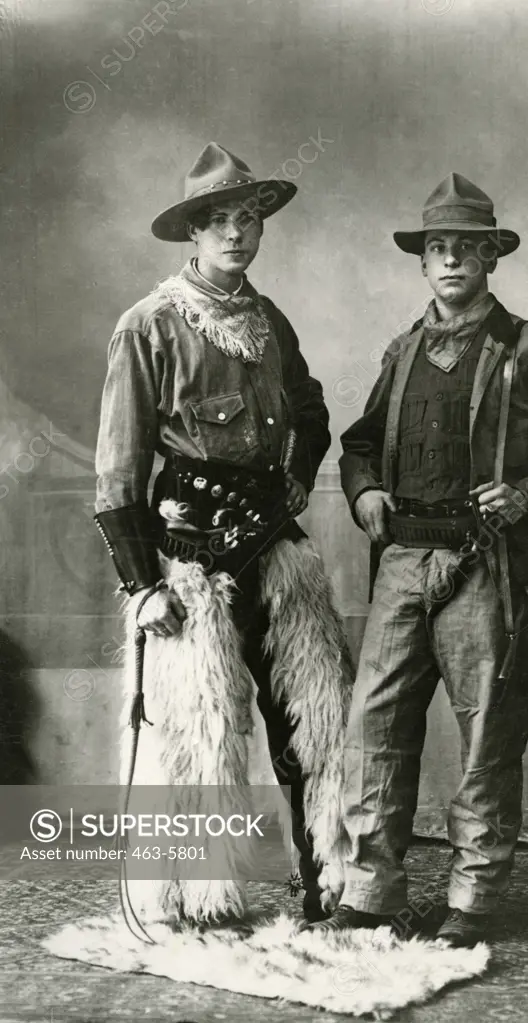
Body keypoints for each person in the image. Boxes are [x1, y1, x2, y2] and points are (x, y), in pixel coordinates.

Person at [307, 172, 528, 946]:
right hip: (404, 559)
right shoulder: (402, 349)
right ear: (421, 262)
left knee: (485, 734)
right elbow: (360, 442)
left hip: (485, 565)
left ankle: (471, 898)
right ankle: (371, 889)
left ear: (489, 258)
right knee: (375, 725)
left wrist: (526, 495)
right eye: (436, 248)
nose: (449, 261)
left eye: (464, 249)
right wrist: (366, 490)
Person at [93, 142, 352, 928]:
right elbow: (116, 472)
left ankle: (330, 883)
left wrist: (301, 467)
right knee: (200, 731)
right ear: (191, 234)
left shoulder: (270, 320)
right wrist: (142, 587)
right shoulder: (149, 326)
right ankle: (196, 897)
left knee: (317, 716)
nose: (236, 234)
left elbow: (310, 410)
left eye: (247, 218)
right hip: (188, 560)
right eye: (217, 221)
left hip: (276, 545)